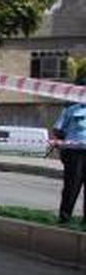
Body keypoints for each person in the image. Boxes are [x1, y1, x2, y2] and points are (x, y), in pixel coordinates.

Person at [52, 76, 86, 225]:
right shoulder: (71, 109)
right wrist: (65, 141)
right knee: (71, 186)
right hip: (74, 153)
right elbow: (57, 129)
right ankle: (64, 218)